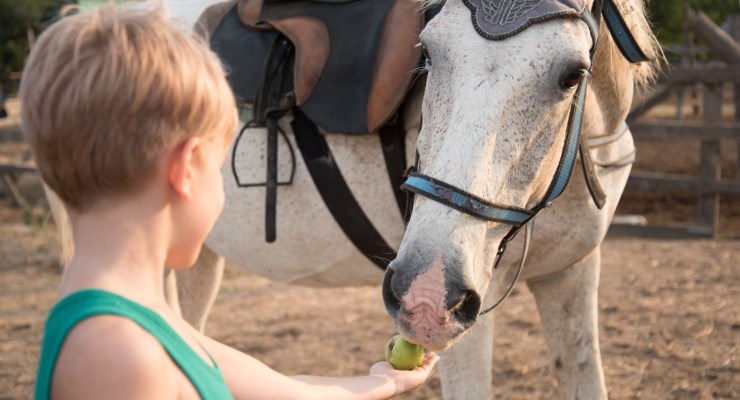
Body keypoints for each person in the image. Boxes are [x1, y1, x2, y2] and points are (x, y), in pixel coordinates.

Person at [22, 6, 438, 400]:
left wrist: (380, 382)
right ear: (185, 169)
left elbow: (282, 391)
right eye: (218, 167)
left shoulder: (140, 319)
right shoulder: (119, 353)